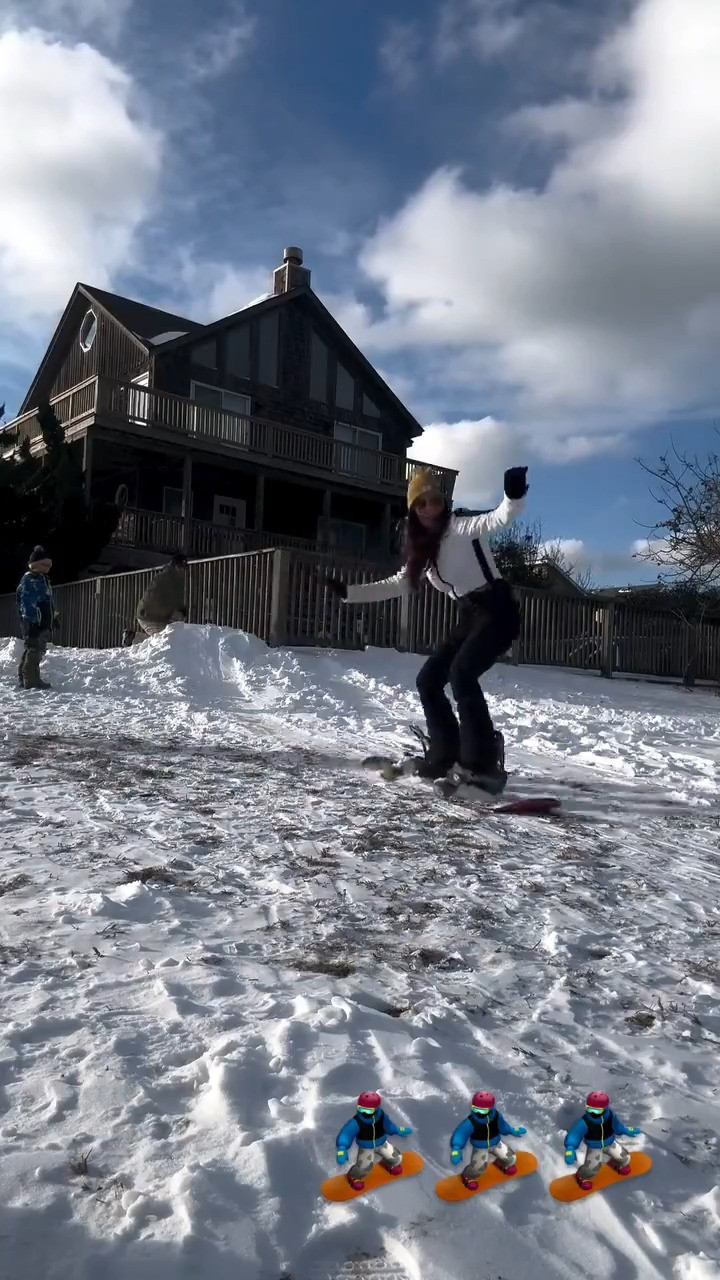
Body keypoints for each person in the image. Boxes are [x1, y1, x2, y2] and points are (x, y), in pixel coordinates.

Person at [326, 465, 528, 791]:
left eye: (434, 500)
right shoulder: (423, 551)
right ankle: (444, 755)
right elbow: (398, 584)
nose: (430, 508)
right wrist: (350, 594)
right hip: (471, 613)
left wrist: (513, 494)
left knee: (462, 673)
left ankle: (483, 766)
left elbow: (499, 517)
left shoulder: (462, 527)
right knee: (429, 680)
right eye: (421, 504)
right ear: (413, 511)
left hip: (498, 610)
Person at [564, 1091, 642, 1191]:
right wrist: (570, 1148)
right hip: (594, 1146)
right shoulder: (585, 1121)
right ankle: (582, 1177)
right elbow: (575, 1134)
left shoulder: (610, 1116)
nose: (592, 1113)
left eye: (596, 1111)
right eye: (589, 1109)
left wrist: (626, 1130)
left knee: (625, 1158)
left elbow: (617, 1126)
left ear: (604, 1109)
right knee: (592, 1168)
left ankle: (616, 1163)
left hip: (610, 1143)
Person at [335, 1091, 412, 1191]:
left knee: (397, 1158)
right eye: (361, 1109)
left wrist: (398, 1130)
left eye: (368, 1111)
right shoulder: (357, 1122)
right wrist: (342, 1148)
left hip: (382, 1143)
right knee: (365, 1167)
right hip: (366, 1147)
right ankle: (354, 1176)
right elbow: (346, 1134)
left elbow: (388, 1126)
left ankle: (386, 1163)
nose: (364, 1113)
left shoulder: (381, 1117)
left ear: (375, 1109)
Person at [449, 1090, 527, 1189]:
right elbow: (460, 1134)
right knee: (478, 1168)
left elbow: (503, 1126)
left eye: (482, 1111)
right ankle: (467, 1176)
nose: (478, 1113)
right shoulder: (471, 1122)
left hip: (496, 1143)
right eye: (475, 1109)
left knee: (511, 1159)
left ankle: (501, 1163)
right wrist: (456, 1148)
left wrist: (512, 1131)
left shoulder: (496, 1116)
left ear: (490, 1109)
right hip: (480, 1147)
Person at [16, 546, 56, 690]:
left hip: (42, 620)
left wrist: (53, 617)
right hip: (33, 622)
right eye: (44, 565)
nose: (47, 568)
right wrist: (31, 620)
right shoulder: (29, 579)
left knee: (35, 649)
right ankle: (30, 680)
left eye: (48, 566)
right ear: (36, 564)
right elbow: (27, 602)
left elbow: (48, 600)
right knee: (34, 650)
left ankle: (28, 677)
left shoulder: (43, 579)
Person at [132, 552, 189, 643]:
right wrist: (179, 610)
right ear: (174, 566)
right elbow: (169, 598)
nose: (182, 570)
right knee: (165, 640)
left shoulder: (170, 578)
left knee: (165, 638)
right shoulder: (167, 579)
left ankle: (134, 637)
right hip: (150, 616)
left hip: (151, 615)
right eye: (180, 567)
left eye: (184, 568)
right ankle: (133, 639)